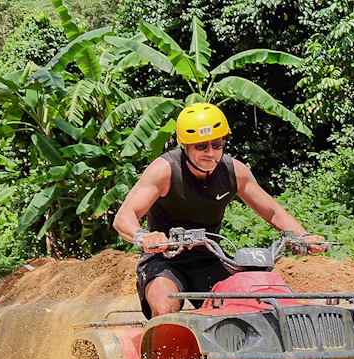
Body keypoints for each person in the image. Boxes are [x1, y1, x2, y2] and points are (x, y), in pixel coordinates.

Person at [113, 102, 325, 319]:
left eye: (217, 145)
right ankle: (159, 349)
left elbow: (272, 211)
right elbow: (123, 217)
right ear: (185, 146)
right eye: (201, 147)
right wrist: (144, 236)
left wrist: (304, 237)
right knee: (165, 308)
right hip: (165, 259)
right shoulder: (164, 170)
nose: (211, 153)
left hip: (210, 257)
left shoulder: (235, 171)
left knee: (246, 304)